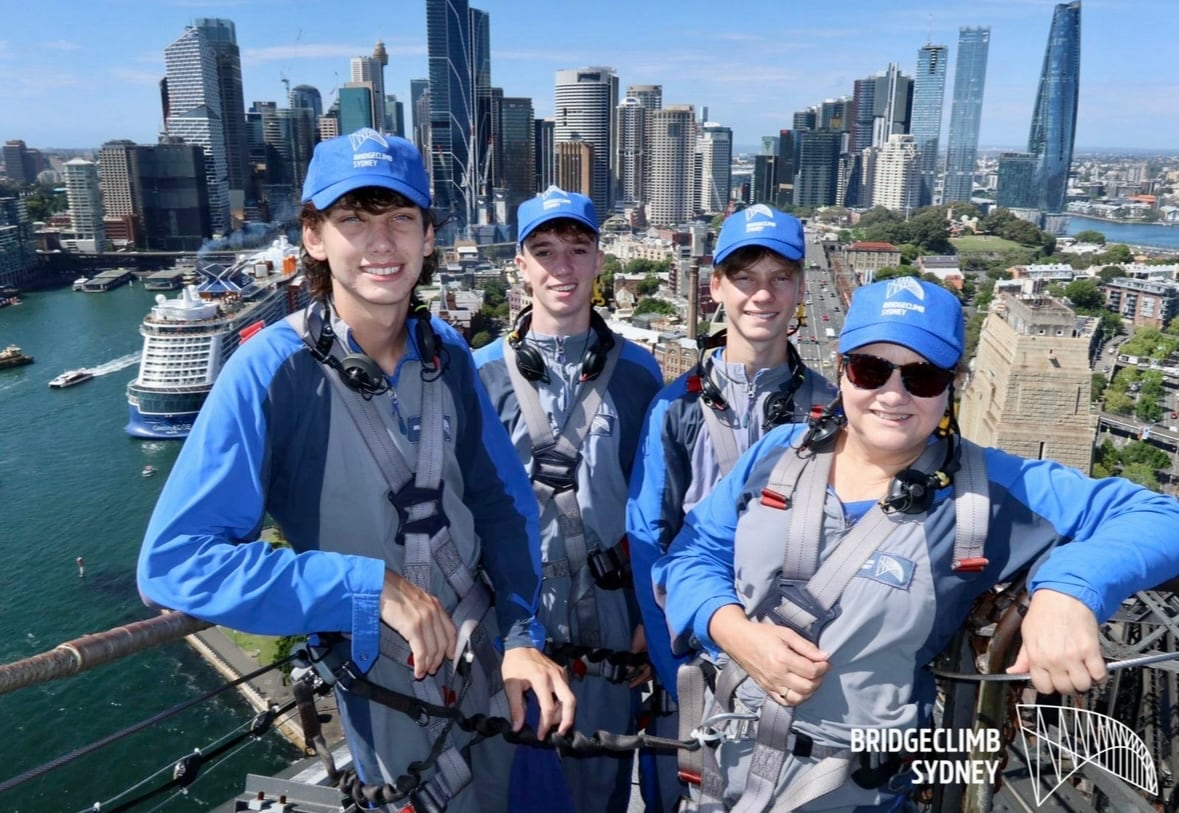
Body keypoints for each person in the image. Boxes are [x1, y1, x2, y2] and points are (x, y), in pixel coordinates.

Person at [137, 128, 574, 813]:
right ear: (313, 237)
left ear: (429, 238)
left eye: (400, 218)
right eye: (353, 219)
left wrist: (522, 635)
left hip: (492, 664)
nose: (380, 242)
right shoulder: (269, 373)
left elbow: (502, 506)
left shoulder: (448, 354)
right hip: (388, 698)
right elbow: (175, 562)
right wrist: (367, 587)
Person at [654, 277, 1179, 811]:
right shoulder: (778, 454)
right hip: (723, 772)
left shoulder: (988, 492)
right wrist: (731, 628)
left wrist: (1069, 588)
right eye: (871, 369)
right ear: (841, 369)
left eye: (922, 377)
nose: (892, 394)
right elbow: (692, 557)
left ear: (953, 385)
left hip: (854, 792)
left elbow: (1161, 515)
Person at [626, 204, 836, 810]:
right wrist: (674, 672)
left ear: (800, 287)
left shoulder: (834, 410)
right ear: (716, 286)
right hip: (697, 663)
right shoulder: (675, 409)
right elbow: (648, 539)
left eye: (779, 278)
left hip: (799, 666)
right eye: (745, 277)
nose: (762, 295)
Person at [474, 186, 664, 812]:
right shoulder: (478, 376)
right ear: (521, 266)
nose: (562, 266)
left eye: (577, 249)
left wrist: (647, 613)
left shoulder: (639, 373)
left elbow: (654, 501)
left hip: (609, 611)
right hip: (515, 608)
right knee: (511, 780)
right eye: (545, 250)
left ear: (599, 261)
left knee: (601, 781)